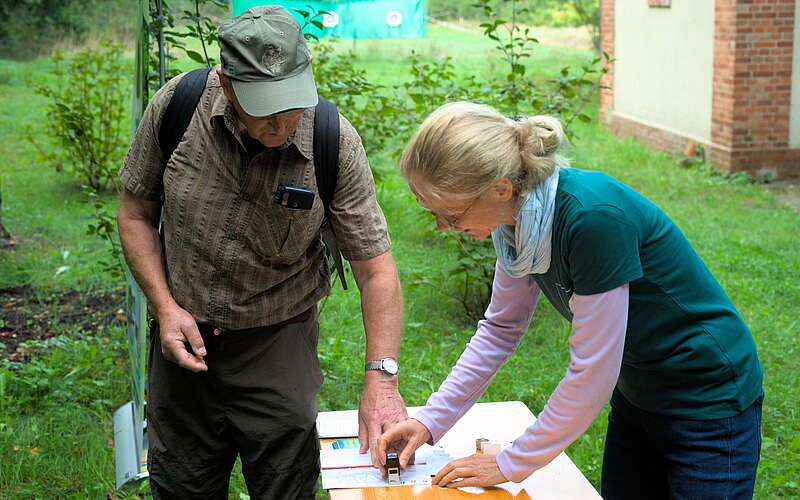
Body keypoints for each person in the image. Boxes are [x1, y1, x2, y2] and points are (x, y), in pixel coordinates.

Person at [378, 101, 763, 499]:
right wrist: (429, 422)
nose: (445, 228)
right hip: (639, 392)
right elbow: (500, 330)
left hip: (708, 400)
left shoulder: (593, 219)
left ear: (501, 188)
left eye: (454, 215)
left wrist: (510, 462)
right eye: (436, 215)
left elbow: (593, 368)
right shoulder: (516, 223)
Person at [117, 6, 407, 499]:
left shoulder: (332, 140)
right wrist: (164, 308)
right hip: (182, 342)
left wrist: (381, 379)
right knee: (181, 484)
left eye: (292, 102)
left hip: (278, 343)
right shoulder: (178, 107)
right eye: (265, 107)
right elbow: (135, 214)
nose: (282, 123)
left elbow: (376, 271)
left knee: (284, 487)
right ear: (226, 83)